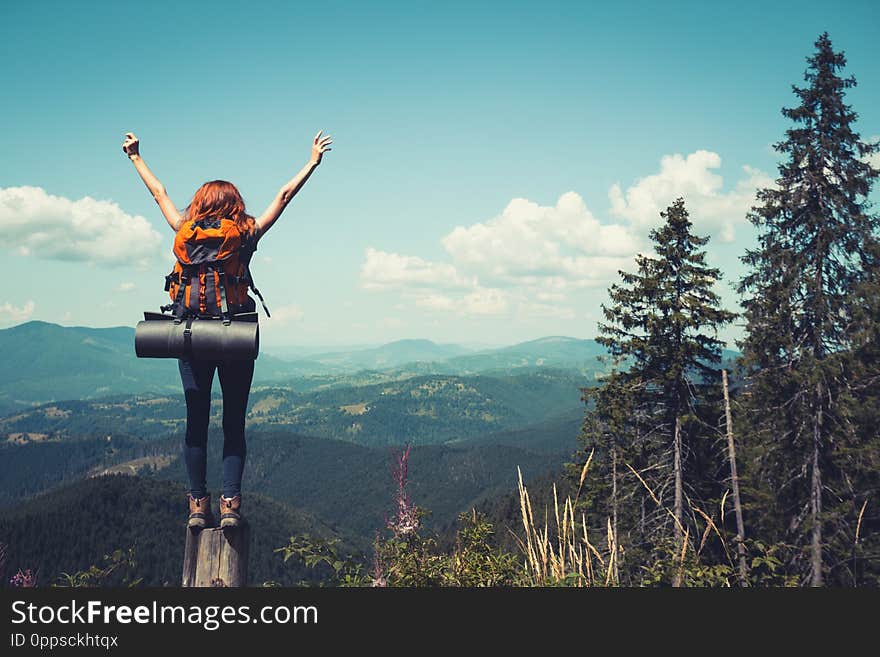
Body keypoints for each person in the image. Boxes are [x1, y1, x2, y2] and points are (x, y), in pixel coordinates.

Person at [122, 130, 332, 529]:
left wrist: (135, 157)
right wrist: (312, 162)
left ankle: (197, 506)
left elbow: (158, 193)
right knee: (233, 421)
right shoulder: (245, 233)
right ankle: (231, 505)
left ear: (199, 204)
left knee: (195, 421)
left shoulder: (183, 229)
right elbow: (284, 196)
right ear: (234, 204)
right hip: (233, 336)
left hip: (189, 336)